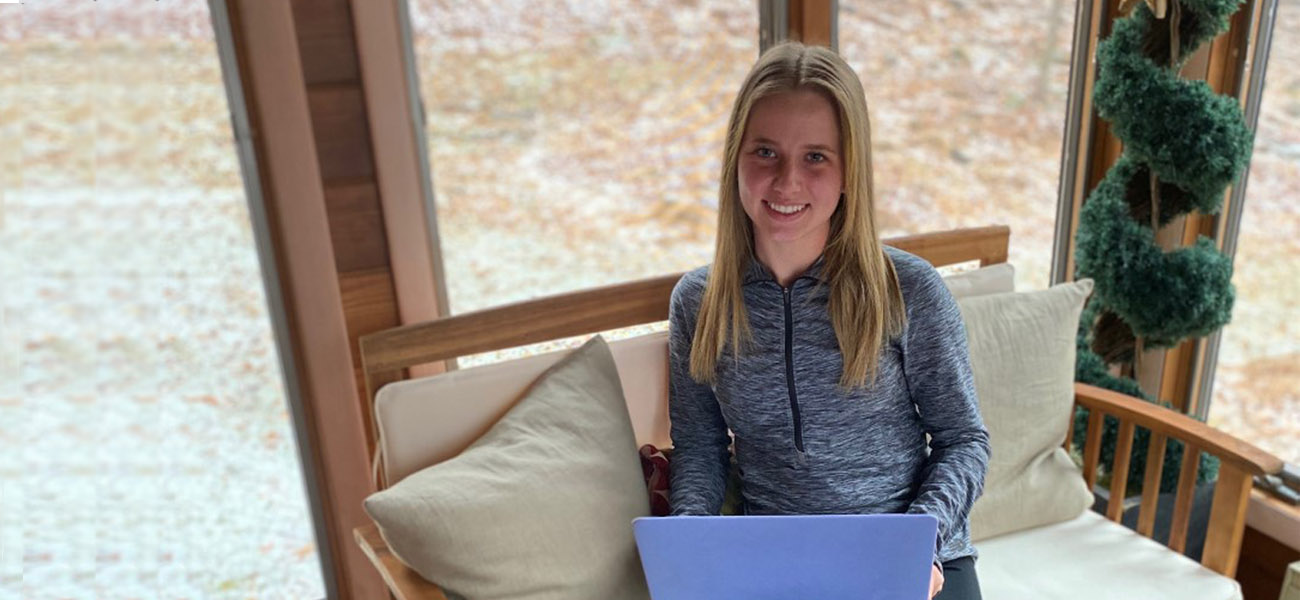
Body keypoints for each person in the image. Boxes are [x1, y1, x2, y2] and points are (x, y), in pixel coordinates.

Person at [667, 42, 991, 600]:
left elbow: (965, 439)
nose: (788, 181)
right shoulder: (698, 302)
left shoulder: (908, 290)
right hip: (776, 559)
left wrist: (922, 542)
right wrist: (690, 543)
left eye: (816, 156)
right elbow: (700, 448)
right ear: (735, 163)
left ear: (850, 172)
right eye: (765, 152)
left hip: (915, 556)